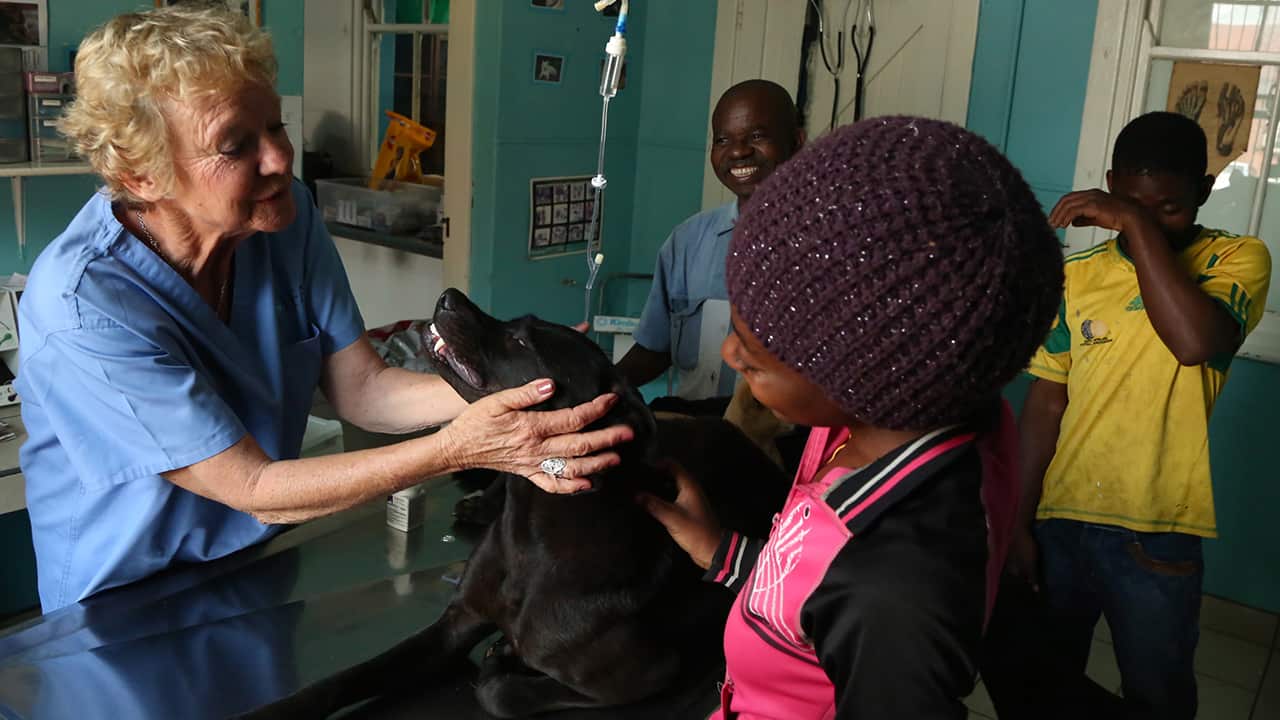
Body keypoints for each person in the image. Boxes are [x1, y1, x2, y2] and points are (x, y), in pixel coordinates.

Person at [16, 5, 630, 613]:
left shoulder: (283, 220)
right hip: (125, 603)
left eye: (276, 127)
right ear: (141, 175)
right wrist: (461, 448)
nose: (279, 159)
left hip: (258, 564)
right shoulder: (85, 305)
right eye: (235, 146)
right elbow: (252, 485)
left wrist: (516, 388)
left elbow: (364, 389)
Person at [639, 117, 1065, 718]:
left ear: (863, 373)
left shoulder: (894, 592)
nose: (730, 355)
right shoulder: (899, 414)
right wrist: (721, 553)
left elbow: (848, 597)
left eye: (754, 356)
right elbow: (811, 592)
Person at [999, 111, 1272, 719]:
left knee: (1157, 695)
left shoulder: (1238, 258)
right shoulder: (1077, 277)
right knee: (1046, 682)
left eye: (1167, 208)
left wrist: (1133, 222)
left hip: (1157, 526)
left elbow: (1194, 342)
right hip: (1062, 517)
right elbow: (1047, 400)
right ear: (1111, 186)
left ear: (1204, 191)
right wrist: (1019, 519)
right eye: (1130, 204)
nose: (1144, 220)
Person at [616, 79, 804, 406]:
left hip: (786, 434)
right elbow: (656, 350)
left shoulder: (829, 243)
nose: (739, 151)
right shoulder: (687, 242)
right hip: (695, 427)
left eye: (757, 136)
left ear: (797, 142)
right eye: (723, 140)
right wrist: (592, 382)